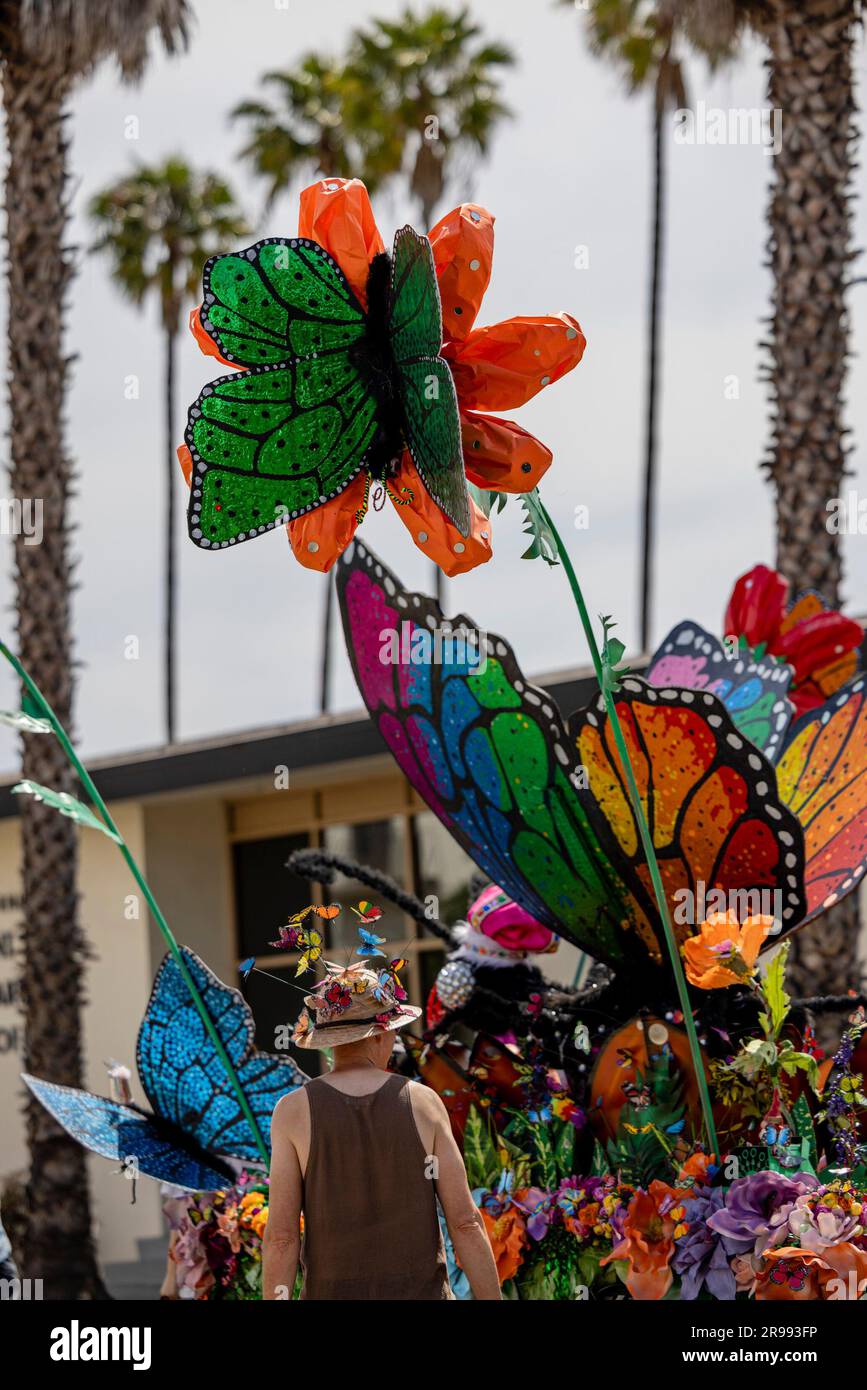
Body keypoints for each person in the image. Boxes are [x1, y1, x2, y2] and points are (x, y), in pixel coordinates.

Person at [263, 958, 501, 1301]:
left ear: (330, 1039)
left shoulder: (292, 1111)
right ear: (382, 1034)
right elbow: (465, 1222)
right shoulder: (423, 1102)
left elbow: (282, 1238)